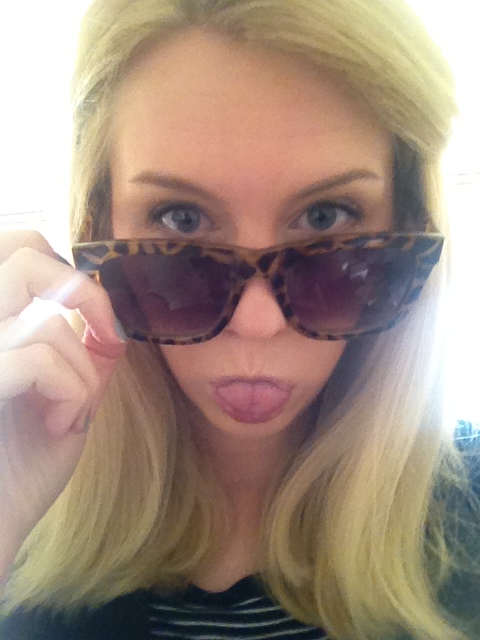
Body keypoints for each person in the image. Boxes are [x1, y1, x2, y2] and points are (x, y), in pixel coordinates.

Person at [0, 0, 479, 638]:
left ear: (408, 223)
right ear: (97, 229)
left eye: (326, 217)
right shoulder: (21, 494)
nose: (258, 323)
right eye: (181, 220)